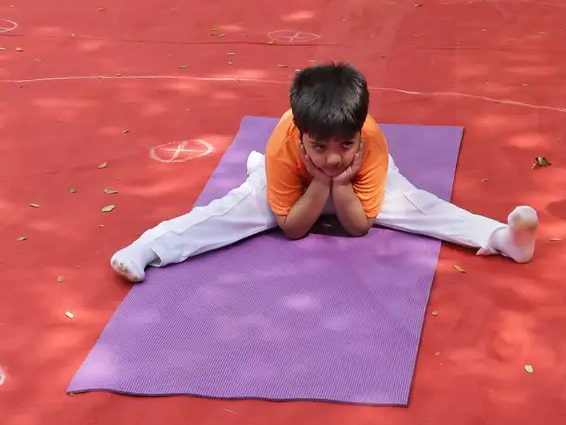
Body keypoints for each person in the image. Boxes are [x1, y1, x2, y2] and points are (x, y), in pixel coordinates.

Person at [111, 63, 539, 283]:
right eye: (319, 145)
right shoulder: (284, 143)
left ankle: (501, 238)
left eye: (344, 145)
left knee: (420, 207)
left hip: (358, 185)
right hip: (296, 181)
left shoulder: (370, 143)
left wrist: (340, 180)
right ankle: (147, 248)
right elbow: (294, 230)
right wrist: (320, 180)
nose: (333, 156)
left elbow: (358, 228)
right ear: (300, 134)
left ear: (358, 135)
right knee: (229, 213)